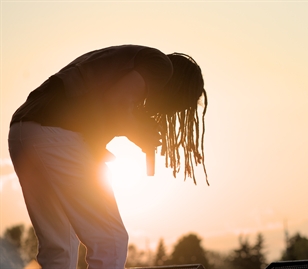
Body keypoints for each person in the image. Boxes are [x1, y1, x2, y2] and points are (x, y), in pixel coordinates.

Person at [8, 44, 208, 269]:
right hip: (55, 135)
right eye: (178, 105)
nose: (169, 112)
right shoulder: (160, 65)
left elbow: (96, 107)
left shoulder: (119, 65)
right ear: (178, 88)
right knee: (110, 240)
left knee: (60, 248)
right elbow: (117, 101)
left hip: (23, 133)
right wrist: (140, 133)